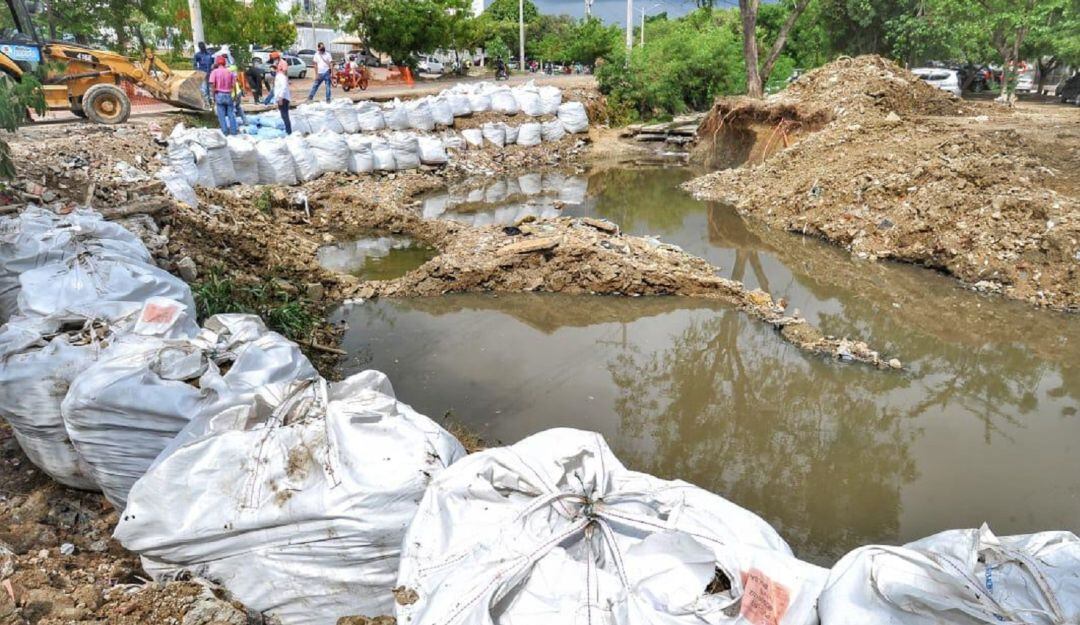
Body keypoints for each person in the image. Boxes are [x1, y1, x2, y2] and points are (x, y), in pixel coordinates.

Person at [208, 56, 238, 135]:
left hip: (219, 94)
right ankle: (234, 131)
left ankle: (225, 131)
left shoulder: (214, 72)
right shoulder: (230, 72)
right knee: (231, 114)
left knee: (221, 114)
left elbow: (212, 85)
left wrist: (213, 96)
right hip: (228, 94)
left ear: (217, 63)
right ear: (225, 63)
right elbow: (234, 85)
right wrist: (234, 96)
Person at [273, 58, 292, 135]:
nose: (272, 70)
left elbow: (283, 87)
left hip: (283, 99)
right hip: (281, 98)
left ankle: (289, 132)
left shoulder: (281, 76)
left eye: (274, 68)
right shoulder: (278, 76)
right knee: (283, 115)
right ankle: (287, 131)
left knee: (285, 115)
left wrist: (280, 98)